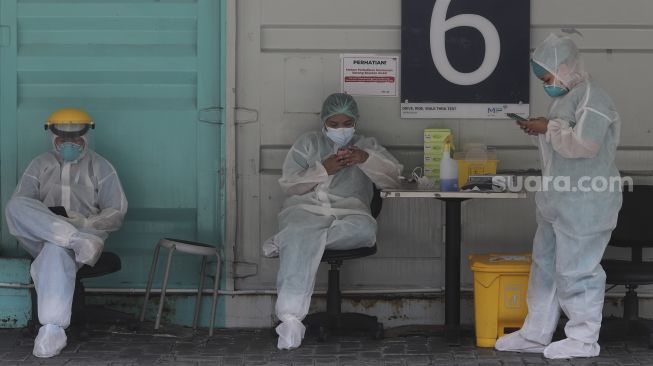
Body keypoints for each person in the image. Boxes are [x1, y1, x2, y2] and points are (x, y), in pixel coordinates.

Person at [495, 34, 622, 359]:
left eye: (548, 77)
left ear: (565, 67)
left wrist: (547, 128)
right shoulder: (567, 97)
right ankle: (536, 333)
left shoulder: (594, 98)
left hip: (586, 203)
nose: (546, 85)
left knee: (577, 269)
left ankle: (583, 339)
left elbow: (585, 145)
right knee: (546, 266)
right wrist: (543, 129)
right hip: (559, 201)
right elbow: (560, 148)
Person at [262, 93, 403, 350]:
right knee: (302, 230)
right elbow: (290, 185)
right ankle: (291, 318)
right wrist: (323, 169)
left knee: (364, 230)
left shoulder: (366, 145)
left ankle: (291, 241)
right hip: (305, 211)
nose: (341, 129)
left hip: (349, 215)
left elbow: (393, 179)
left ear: (356, 121)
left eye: (347, 123)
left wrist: (365, 160)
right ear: (324, 122)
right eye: (334, 123)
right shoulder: (308, 143)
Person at [5, 108, 128, 358]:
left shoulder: (101, 167)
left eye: (76, 138)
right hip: (45, 236)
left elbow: (116, 211)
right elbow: (23, 206)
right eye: (63, 139)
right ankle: (71, 238)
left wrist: (82, 222)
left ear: (87, 136)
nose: (69, 143)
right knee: (15, 206)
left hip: (86, 233)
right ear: (52, 137)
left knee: (56, 249)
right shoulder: (39, 165)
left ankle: (52, 330)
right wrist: (60, 226)